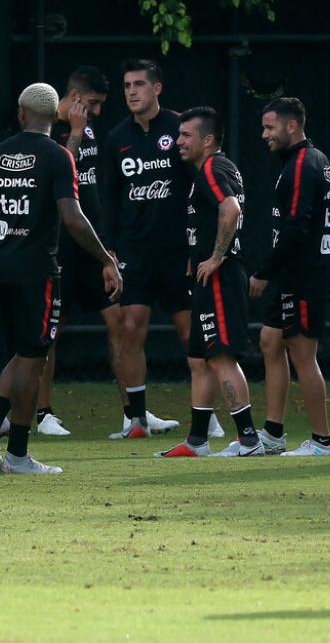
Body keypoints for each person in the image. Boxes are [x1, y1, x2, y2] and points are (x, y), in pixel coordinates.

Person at [0, 83, 122, 475]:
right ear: (54, 117)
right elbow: (73, 218)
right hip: (36, 271)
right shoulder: (57, 155)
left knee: (23, 354)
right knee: (33, 358)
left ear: (21, 114)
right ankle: (17, 453)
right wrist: (105, 258)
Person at [41, 67, 179, 437]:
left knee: (120, 321)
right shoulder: (49, 128)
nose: (98, 112)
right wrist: (73, 134)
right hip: (59, 246)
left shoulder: (89, 129)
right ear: (74, 98)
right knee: (50, 329)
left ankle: (133, 413)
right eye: (93, 103)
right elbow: (56, 176)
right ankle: (43, 413)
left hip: (92, 243)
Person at [101, 59, 215, 440]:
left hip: (178, 252)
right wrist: (109, 251)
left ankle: (208, 415)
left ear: (157, 89)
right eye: (127, 86)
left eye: (139, 84)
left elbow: (205, 188)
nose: (132, 92)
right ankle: (137, 420)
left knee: (189, 333)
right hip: (135, 251)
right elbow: (110, 200)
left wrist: (199, 246)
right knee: (130, 329)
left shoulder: (180, 130)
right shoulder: (116, 138)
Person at [158, 108, 261, 457]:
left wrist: (216, 256)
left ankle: (249, 440)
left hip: (220, 277)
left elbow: (230, 209)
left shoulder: (212, 168)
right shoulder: (216, 168)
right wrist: (198, 252)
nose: (178, 141)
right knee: (200, 360)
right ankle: (197, 441)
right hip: (207, 278)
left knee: (220, 358)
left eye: (186, 135)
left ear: (209, 140)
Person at [250, 98, 330, 457]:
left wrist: (264, 272)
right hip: (292, 274)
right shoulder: (304, 161)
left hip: (305, 276)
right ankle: (273, 434)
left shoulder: (303, 163)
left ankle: (322, 441)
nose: (264, 135)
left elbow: (297, 226)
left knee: (303, 354)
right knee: (270, 340)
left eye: (270, 127)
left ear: (292, 126)